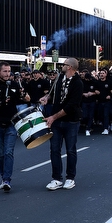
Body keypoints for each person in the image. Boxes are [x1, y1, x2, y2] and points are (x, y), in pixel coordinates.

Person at [0, 61, 30, 192]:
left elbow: (27, 99)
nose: (7, 73)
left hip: (11, 124)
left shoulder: (15, 85)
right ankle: (3, 176)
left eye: (9, 71)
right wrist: (0, 103)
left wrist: (23, 93)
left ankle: (6, 179)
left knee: (8, 152)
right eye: (4, 71)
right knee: (0, 154)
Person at [42, 58, 84, 190]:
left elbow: (72, 105)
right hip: (56, 121)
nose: (62, 66)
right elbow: (53, 94)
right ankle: (56, 178)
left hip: (71, 121)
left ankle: (70, 178)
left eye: (64, 65)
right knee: (54, 150)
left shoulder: (78, 83)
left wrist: (53, 117)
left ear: (70, 67)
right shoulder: (60, 78)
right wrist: (47, 98)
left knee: (70, 150)